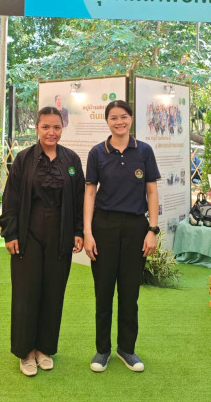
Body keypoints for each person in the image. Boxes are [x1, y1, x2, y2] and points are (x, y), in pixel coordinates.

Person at [0, 107, 84, 377]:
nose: (51, 132)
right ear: (36, 128)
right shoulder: (24, 159)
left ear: (62, 129)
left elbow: (80, 199)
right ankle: (25, 352)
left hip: (60, 236)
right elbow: (11, 198)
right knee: (26, 293)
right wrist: (11, 233)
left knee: (53, 292)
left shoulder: (71, 160)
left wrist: (78, 231)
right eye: (46, 127)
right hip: (28, 235)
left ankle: (44, 349)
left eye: (56, 127)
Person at [83, 100, 161, 373]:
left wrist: (152, 230)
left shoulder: (144, 151)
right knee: (103, 293)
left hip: (136, 228)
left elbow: (151, 191)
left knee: (130, 294)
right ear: (107, 121)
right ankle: (102, 350)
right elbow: (90, 193)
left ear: (131, 119)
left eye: (124, 116)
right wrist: (88, 232)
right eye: (114, 117)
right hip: (103, 227)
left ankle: (126, 349)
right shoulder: (97, 153)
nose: (119, 122)